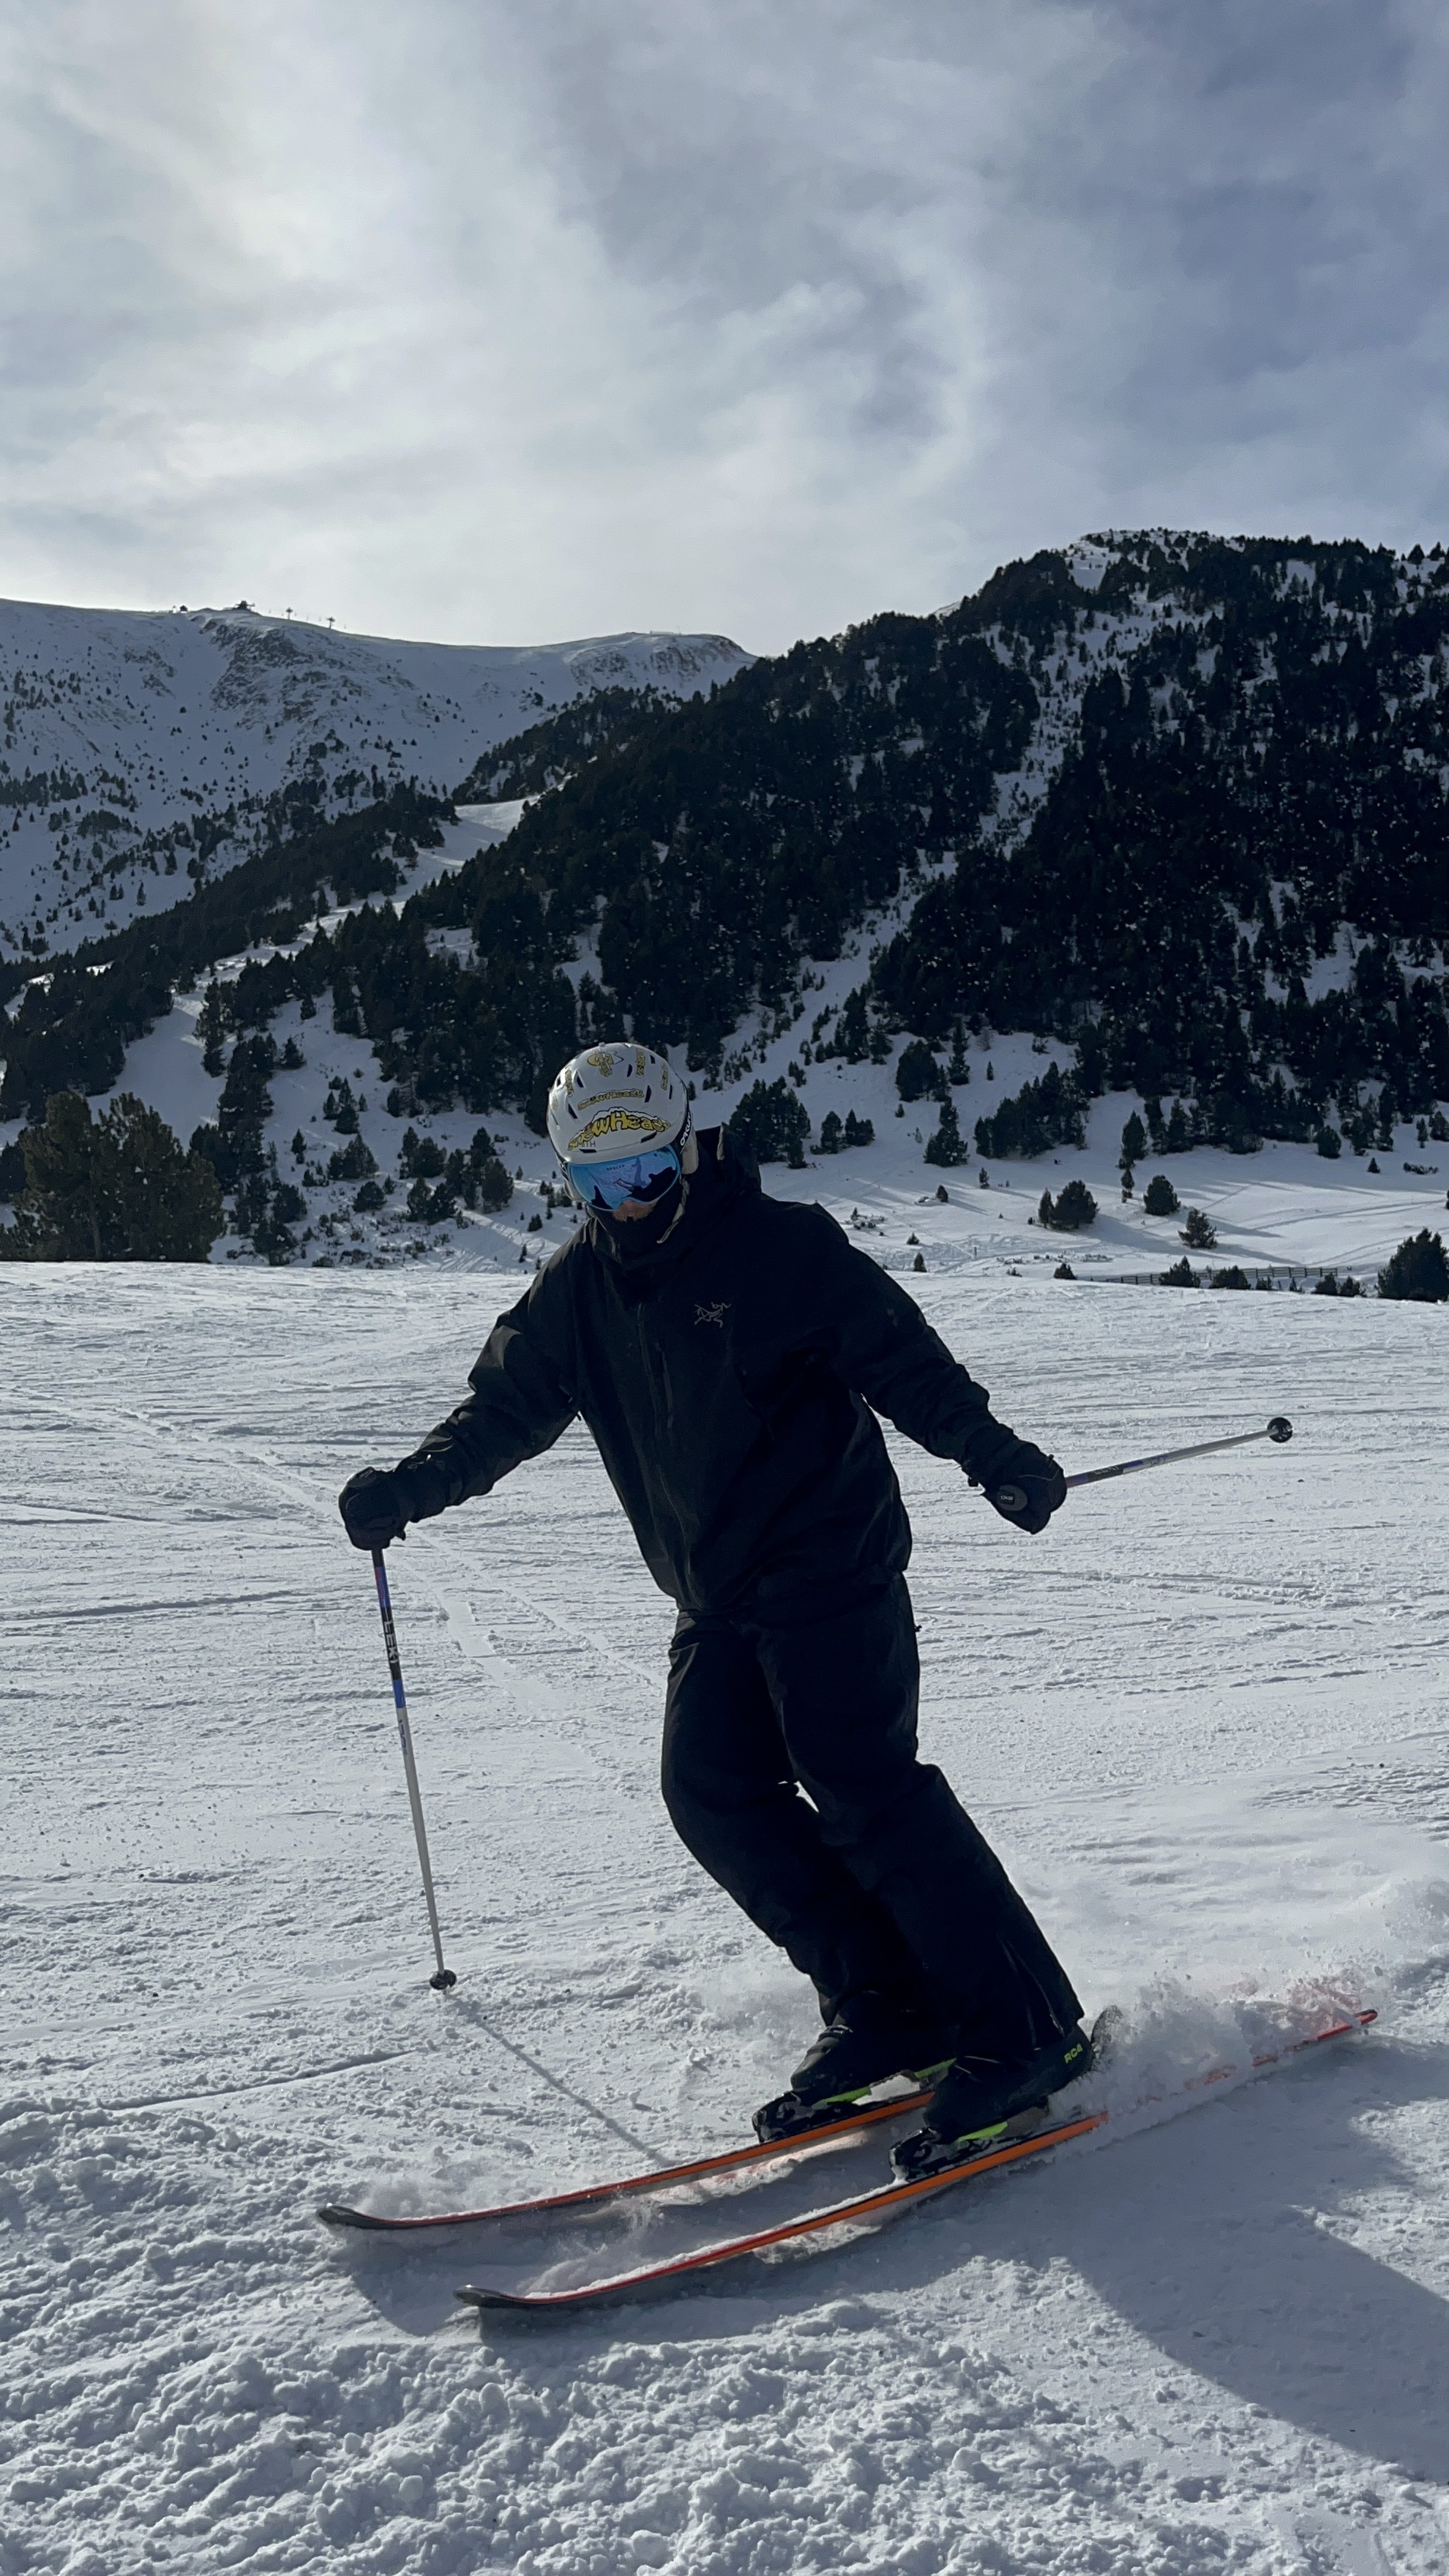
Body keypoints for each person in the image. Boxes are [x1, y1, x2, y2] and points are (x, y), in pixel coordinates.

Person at [340, 1043, 1094, 2179]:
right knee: (711, 1790)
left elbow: (906, 1362)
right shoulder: (577, 1292)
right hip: (717, 1591)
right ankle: (892, 2004)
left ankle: (1026, 2029)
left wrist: (993, 1455)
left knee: (864, 1788)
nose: (625, 1203)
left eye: (642, 1172)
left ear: (685, 1145)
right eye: (595, 1184)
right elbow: (502, 1412)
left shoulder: (782, 1248)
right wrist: (407, 1488)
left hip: (831, 1568)